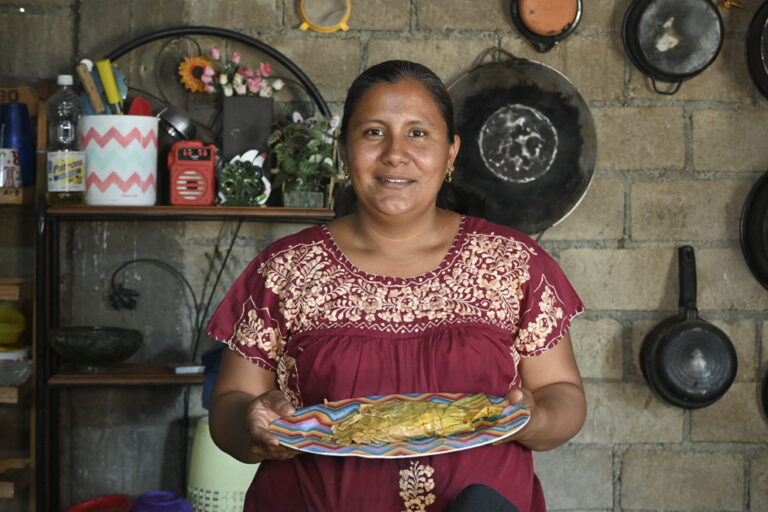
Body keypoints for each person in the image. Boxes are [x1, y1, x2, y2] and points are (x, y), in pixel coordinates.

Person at [207, 59, 586, 512]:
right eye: (372, 132)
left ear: (450, 153)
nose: (395, 153)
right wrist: (254, 426)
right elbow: (230, 404)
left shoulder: (514, 263)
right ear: (344, 151)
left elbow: (562, 394)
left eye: (419, 133)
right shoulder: (285, 269)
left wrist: (534, 418)